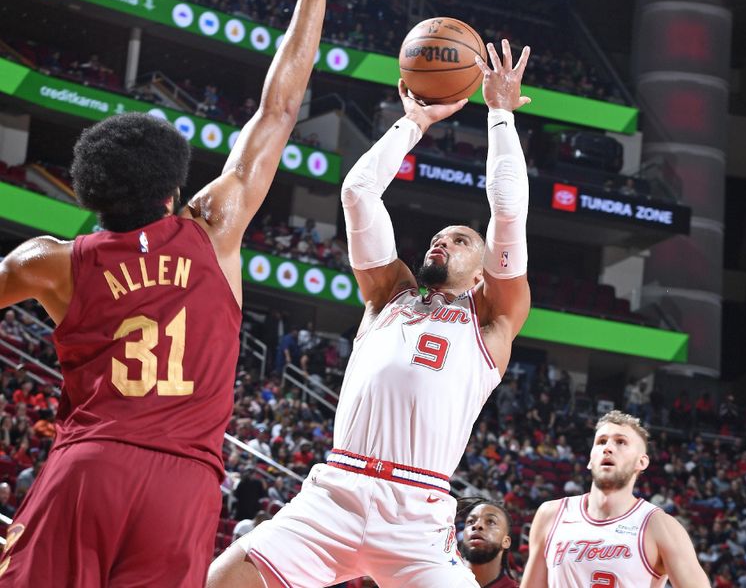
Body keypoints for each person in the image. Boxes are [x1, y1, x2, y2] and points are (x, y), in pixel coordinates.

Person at [0, 0, 329, 585]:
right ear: (173, 189)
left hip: (88, 468)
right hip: (183, 486)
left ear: (88, 192)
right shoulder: (216, 230)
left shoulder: (48, 263)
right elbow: (279, 109)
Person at [208, 38, 532, 588]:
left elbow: (507, 212)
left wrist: (499, 115)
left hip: (416, 517)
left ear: (482, 274)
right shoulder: (388, 295)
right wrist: (412, 123)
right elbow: (359, 192)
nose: (441, 242)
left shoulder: (492, 319)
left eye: (457, 239)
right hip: (334, 496)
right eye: (436, 236)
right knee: (220, 581)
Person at [520, 410, 710, 588]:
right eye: (601, 442)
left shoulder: (659, 526)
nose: (608, 448)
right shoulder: (551, 514)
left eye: (621, 442)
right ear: (590, 459)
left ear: (641, 462)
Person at [462, 500, 519, 587]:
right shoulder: (439, 577)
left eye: (490, 522)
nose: (477, 525)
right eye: (471, 521)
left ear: (506, 542)